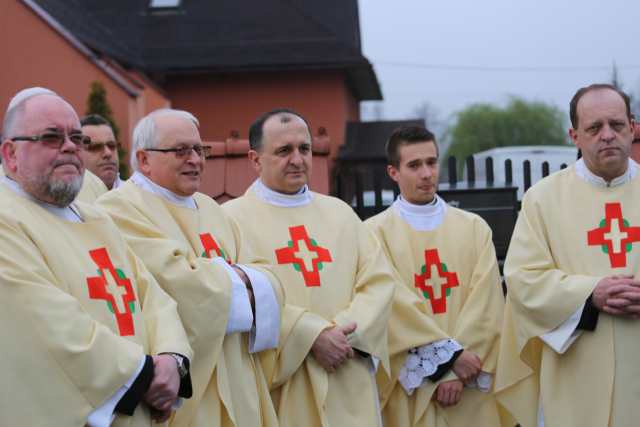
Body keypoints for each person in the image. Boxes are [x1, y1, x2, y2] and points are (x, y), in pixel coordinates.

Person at [0, 87, 193, 426]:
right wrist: (146, 375)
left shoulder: (98, 219)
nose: (70, 147)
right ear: (10, 153)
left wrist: (171, 357)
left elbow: (152, 298)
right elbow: (48, 326)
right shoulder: (7, 219)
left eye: (77, 138)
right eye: (50, 137)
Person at [97, 108, 283, 427]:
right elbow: (175, 284)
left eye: (199, 150)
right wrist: (241, 280)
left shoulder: (212, 208)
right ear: (143, 159)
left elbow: (270, 278)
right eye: (181, 150)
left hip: (239, 380)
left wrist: (226, 277)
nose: (195, 160)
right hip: (185, 388)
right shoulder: (118, 209)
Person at [223, 109, 394, 427]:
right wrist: (310, 335)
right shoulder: (230, 220)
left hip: (346, 369)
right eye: (283, 151)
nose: (298, 159)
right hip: (282, 382)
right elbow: (239, 295)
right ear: (255, 159)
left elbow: (378, 283)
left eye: (304, 148)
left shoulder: (340, 213)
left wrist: (341, 336)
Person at [495, 83, 640, 427]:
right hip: (575, 372)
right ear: (574, 136)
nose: (607, 135)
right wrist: (591, 293)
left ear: (632, 128)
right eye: (594, 128)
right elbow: (523, 280)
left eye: (616, 125)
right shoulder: (542, 200)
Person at [365, 126, 509, 426]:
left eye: (431, 162)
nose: (427, 173)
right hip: (412, 386)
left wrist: (457, 369)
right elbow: (390, 307)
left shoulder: (473, 228)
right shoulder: (373, 234)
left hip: (470, 379)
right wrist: (446, 362)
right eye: (414, 165)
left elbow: (487, 305)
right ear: (393, 172)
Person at [81, 113, 122, 189]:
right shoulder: (67, 199)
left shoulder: (137, 197)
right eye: (95, 147)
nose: (108, 153)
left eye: (112, 145)